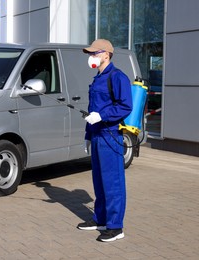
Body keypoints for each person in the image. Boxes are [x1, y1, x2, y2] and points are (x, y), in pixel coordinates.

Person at [77, 39, 133, 242]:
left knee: (113, 182)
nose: (91, 57)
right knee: (99, 181)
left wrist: (102, 116)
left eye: (95, 53)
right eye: (90, 54)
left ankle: (116, 227)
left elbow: (126, 106)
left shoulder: (118, 77)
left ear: (106, 54)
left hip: (110, 136)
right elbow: (93, 109)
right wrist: (88, 135)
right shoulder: (97, 78)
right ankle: (100, 219)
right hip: (97, 135)